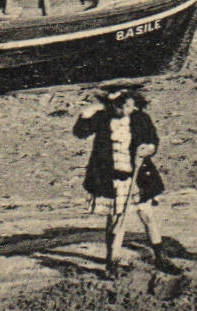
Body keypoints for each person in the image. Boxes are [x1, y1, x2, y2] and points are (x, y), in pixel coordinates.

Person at [74, 83, 175, 278]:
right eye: (122, 107)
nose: (127, 110)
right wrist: (86, 114)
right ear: (113, 106)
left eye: (129, 106)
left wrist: (148, 149)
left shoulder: (140, 119)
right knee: (116, 220)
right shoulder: (103, 119)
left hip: (137, 178)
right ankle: (112, 263)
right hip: (112, 180)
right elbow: (81, 132)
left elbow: (153, 140)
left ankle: (160, 256)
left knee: (147, 216)